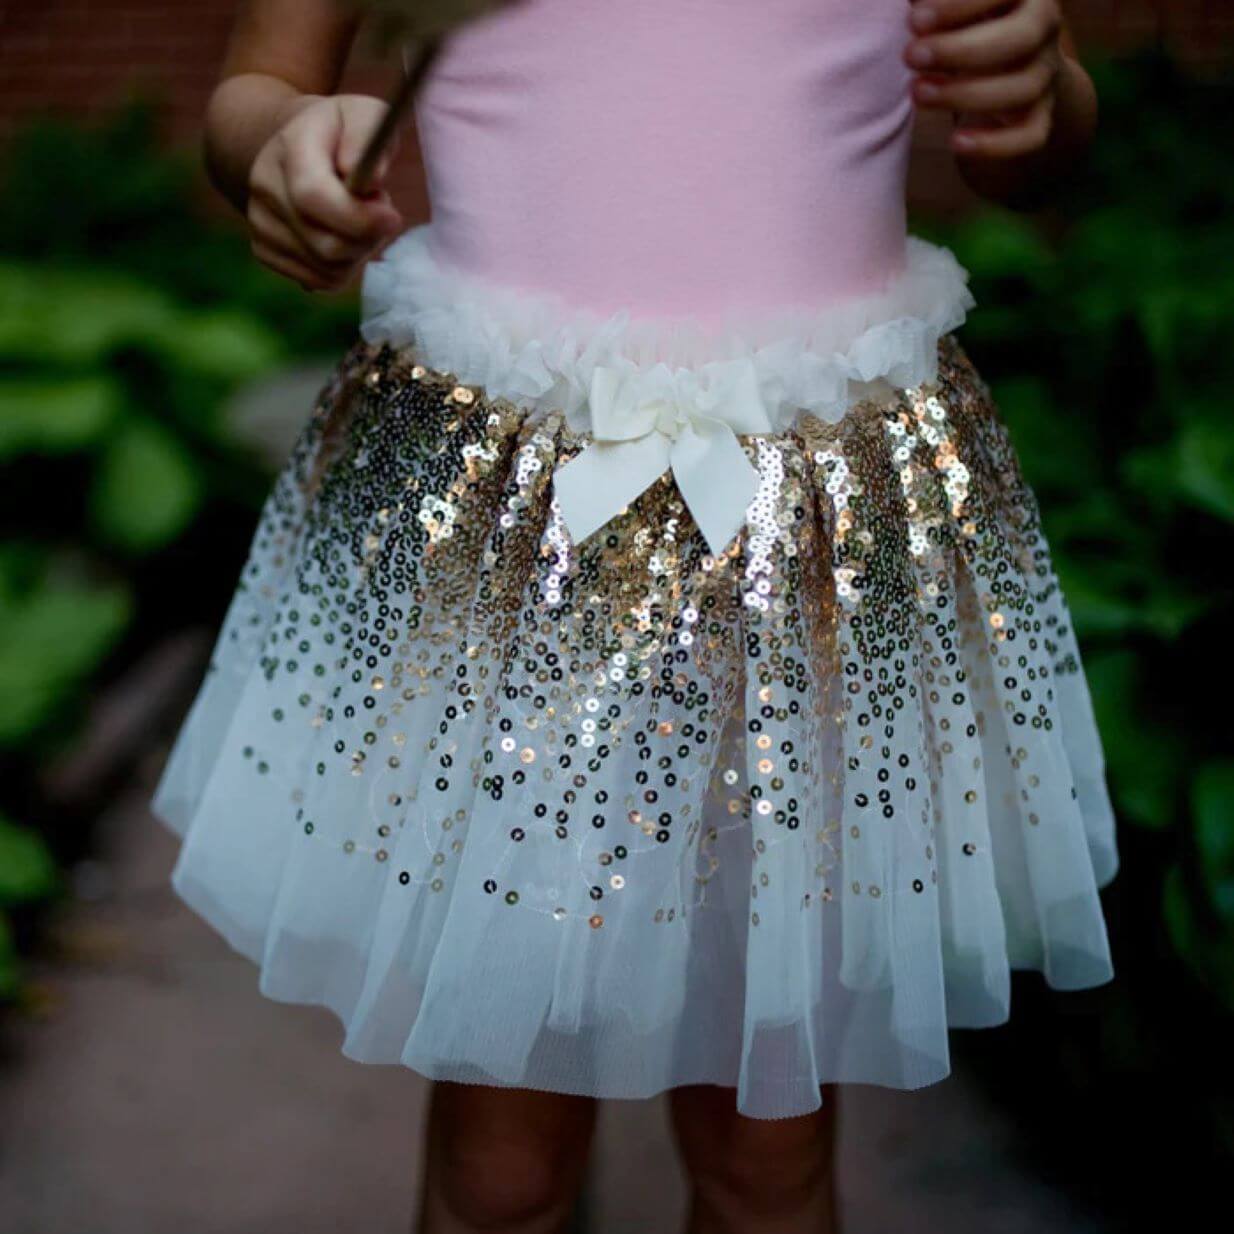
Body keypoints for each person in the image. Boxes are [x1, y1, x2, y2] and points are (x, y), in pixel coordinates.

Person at [154, 2, 1118, 1231]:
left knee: (766, 1163)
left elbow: (1043, 124)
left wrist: (1035, 90)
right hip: (513, 538)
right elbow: (256, 84)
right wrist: (279, 141)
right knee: (501, 1166)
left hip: (808, 540)